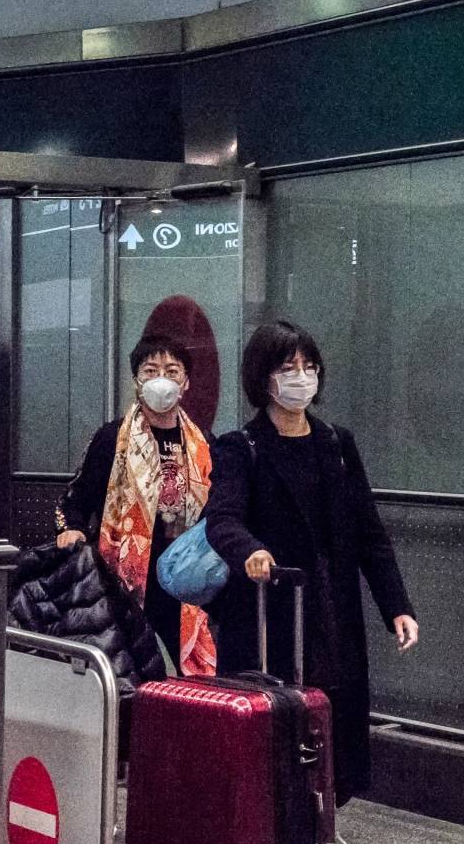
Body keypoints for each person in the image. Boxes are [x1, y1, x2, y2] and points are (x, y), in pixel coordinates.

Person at [204, 320, 419, 808]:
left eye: (308, 366)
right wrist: (250, 551)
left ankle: (322, 823)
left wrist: (397, 606)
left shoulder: (337, 444)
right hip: (271, 614)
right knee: (278, 735)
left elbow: (369, 531)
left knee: (335, 729)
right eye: (288, 368)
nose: (301, 377)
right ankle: (282, 832)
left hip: (333, 612)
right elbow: (222, 519)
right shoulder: (243, 447)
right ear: (264, 378)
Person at [56, 336, 215, 676]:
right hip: (121, 580)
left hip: (183, 582)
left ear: (185, 382)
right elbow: (74, 501)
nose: (162, 379)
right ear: (136, 381)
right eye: (151, 370)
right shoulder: (112, 439)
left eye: (172, 371)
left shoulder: (205, 445)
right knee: (126, 673)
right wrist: (70, 529)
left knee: (189, 680)